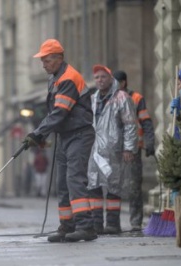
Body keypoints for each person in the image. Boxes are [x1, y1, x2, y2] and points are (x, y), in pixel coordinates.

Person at [23, 39, 97, 242]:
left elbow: (59, 113)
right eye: (42, 61)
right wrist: (39, 134)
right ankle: (67, 226)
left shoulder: (68, 79)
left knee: (74, 179)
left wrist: (38, 133)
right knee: (62, 183)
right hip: (66, 136)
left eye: (46, 60)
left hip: (79, 134)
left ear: (59, 58)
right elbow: (54, 114)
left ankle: (86, 226)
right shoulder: (54, 78)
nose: (43, 64)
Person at [87, 65, 138, 235]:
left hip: (114, 150)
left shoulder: (121, 97)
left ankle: (112, 224)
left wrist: (128, 148)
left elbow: (130, 124)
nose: (99, 80)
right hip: (95, 150)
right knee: (93, 184)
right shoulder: (93, 98)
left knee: (113, 186)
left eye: (103, 77)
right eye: (97, 78)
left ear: (111, 79)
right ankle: (96, 224)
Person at [113, 70, 155, 231]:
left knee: (134, 187)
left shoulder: (136, 98)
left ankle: (136, 222)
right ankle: (112, 223)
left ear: (123, 83)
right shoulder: (110, 98)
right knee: (114, 186)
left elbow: (146, 122)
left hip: (132, 150)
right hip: (114, 151)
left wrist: (150, 143)